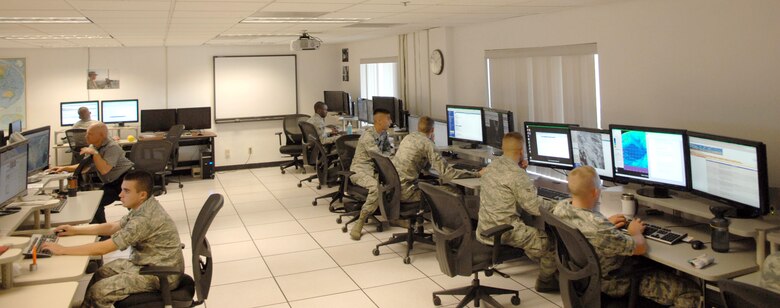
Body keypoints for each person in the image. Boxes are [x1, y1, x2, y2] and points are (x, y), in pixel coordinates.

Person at [550, 166, 701, 307]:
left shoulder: (561, 208)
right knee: (690, 291)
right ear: (596, 192)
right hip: (614, 282)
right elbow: (640, 248)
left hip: (584, 279)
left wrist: (606, 224)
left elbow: (589, 228)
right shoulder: (600, 230)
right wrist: (635, 231)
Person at [41, 170, 184, 308]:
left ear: (142, 195)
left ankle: (92, 303)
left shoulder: (143, 219)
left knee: (99, 292)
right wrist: (75, 230)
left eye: (126, 191)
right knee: (101, 273)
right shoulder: (144, 206)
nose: (120, 195)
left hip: (160, 275)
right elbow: (112, 227)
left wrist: (63, 250)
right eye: (122, 189)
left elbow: (105, 247)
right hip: (149, 263)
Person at [476, 132, 558, 292]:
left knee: (533, 230)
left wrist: (522, 172)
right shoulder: (517, 174)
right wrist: (561, 204)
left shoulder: (492, 166)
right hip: (505, 231)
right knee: (553, 243)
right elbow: (534, 207)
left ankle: (538, 261)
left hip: (484, 229)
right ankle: (545, 282)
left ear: (503, 148)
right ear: (521, 151)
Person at [49, 122, 134, 224]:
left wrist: (95, 153)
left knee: (135, 207)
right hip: (112, 182)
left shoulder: (112, 147)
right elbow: (85, 166)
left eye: (90, 134)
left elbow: (104, 169)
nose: (86, 136)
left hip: (127, 179)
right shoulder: (93, 146)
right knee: (95, 203)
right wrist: (63, 168)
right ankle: (101, 232)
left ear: (101, 135)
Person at [392, 116, 481, 202]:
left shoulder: (408, 137)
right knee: (455, 192)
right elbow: (447, 174)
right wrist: (477, 174)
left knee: (437, 183)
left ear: (418, 127)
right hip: (408, 194)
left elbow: (426, 167)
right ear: (433, 130)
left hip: (396, 189)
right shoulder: (427, 143)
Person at [349, 108, 393, 240]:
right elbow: (380, 156)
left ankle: (393, 217)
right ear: (379, 121)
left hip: (375, 170)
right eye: (388, 119)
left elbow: (387, 152)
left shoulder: (383, 133)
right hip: (360, 171)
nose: (390, 121)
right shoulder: (368, 136)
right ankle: (360, 221)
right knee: (375, 188)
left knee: (395, 182)